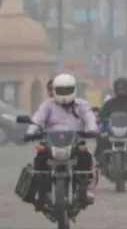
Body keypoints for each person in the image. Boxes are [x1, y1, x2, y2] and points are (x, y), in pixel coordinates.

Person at [26, 73, 98, 210]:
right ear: (54, 90)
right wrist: (30, 132)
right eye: (61, 90)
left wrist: (93, 130)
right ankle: (41, 192)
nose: (64, 94)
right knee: (39, 159)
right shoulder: (47, 105)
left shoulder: (82, 105)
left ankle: (83, 189)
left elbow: (90, 119)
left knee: (86, 157)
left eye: (67, 90)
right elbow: (37, 120)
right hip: (50, 142)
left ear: (74, 89)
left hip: (76, 141)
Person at [96, 78, 127, 167]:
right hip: (112, 130)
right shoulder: (110, 103)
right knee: (100, 138)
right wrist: (102, 119)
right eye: (120, 88)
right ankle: (100, 160)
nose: (122, 90)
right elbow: (102, 114)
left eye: (124, 88)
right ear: (115, 89)